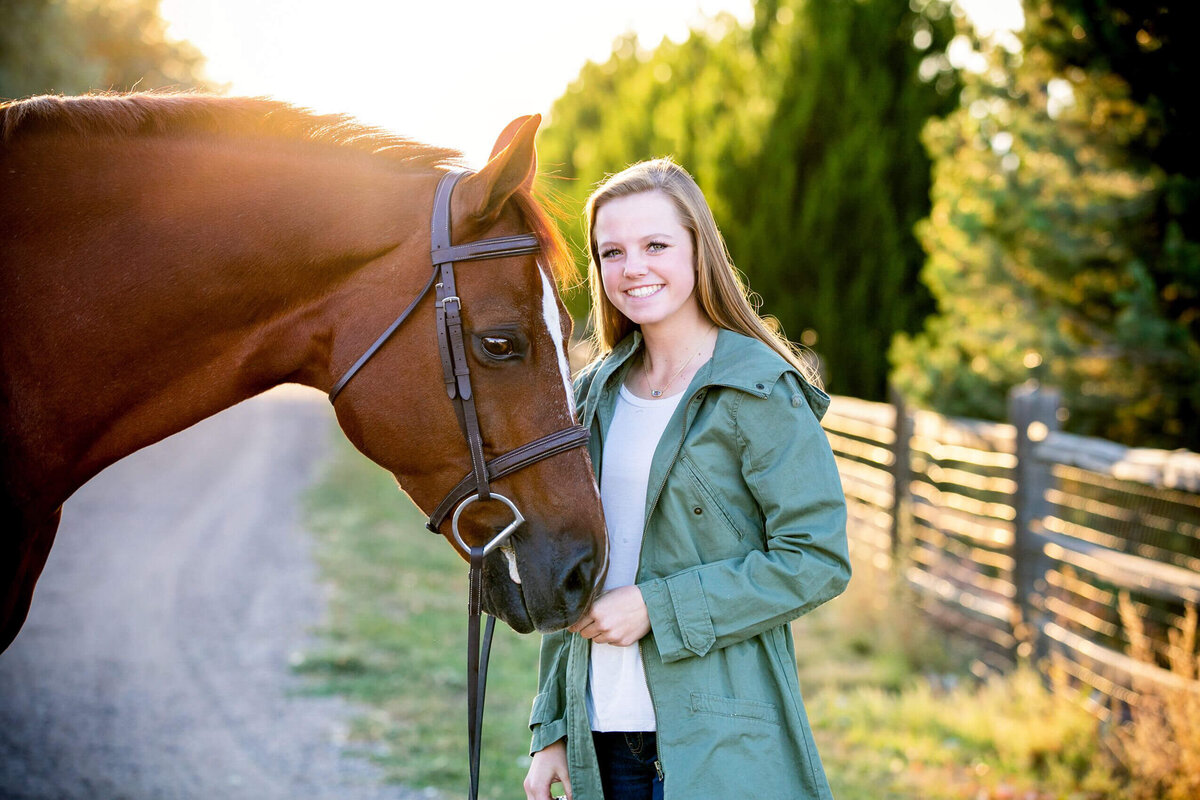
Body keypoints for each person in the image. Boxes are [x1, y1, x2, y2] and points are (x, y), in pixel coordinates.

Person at [522, 158, 850, 800]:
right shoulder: (592, 398)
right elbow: (572, 565)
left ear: (699, 249)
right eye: (611, 251)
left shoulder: (759, 391)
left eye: (655, 245)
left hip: (719, 740)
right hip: (601, 735)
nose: (632, 268)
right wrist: (552, 727)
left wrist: (656, 607)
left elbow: (817, 559)